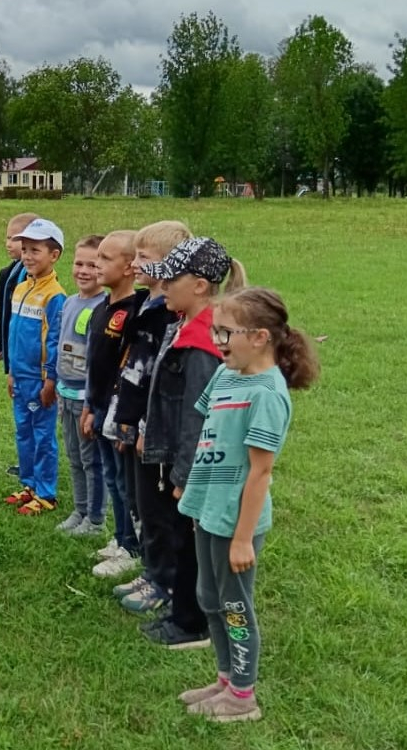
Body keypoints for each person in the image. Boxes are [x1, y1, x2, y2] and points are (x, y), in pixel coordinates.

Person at [179, 287, 319, 722]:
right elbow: (210, 429)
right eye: (215, 331)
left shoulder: (268, 394)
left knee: (235, 606)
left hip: (237, 519)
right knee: (209, 598)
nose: (217, 341)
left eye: (225, 332)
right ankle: (225, 679)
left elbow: (260, 472)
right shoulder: (227, 375)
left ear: (259, 337)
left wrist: (243, 539)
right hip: (209, 507)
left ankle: (243, 696)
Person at [133, 237, 247, 649]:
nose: (162, 288)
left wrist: (185, 475)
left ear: (199, 285)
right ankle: (182, 610)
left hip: (193, 466)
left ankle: (191, 623)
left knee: (187, 542)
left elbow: (197, 417)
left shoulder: (203, 342)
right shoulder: (185, 325)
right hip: (176, 458)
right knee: (182, 538)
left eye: (170, 280)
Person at [108, 221, 191, 607]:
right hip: (134, 422)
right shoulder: (146, 303)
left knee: (159, 512)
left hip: (152, 429)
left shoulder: (169, 315)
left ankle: (165, 582)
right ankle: (151, 571)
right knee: (142, 505)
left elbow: (159, 380)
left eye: (144, 257)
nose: (134, 263)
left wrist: (143, 426)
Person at [80, 230, 141, 576]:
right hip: (98, 405)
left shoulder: (133, 313)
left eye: (105, 258)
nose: (97, 264)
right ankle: (119, 537)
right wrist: (89, 406)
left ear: (130, 267)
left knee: (122, 481)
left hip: (118, 412)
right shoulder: (102, 306)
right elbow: (95, 363)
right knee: (109, 475)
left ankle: (130, 546)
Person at [3, 218, 66, 514]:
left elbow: (54, 341)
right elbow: (14, 335)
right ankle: (29, 484)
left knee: (43, 435)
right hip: (21, 377)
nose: (27, 255)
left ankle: (46, 492)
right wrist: (11, 373)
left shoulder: (55, 296)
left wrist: (50, 380)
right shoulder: (19, 288)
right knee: (23, 433)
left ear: (54, 255)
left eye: (35, 250)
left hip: (41, 381)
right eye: (24, 249)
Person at [54, 235, 107, 535]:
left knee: (92, 461)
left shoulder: (103, 307)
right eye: (79, 263)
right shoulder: (71, 302)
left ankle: (95, 521)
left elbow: (99, 361)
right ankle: (80, 510)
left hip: (87, 398)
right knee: (74, 457)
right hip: (65, 394)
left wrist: (91, 401)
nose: (84, 271)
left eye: (93, 264)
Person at [0, 213, 40, 477]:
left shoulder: (32, 278)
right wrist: (0, 343)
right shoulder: (9, 273)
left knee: (34, 415)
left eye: (14, 238)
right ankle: (26, 464)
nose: (8, 243)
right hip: (15, 356)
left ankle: (35, 468)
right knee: (22, 414)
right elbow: (5, 315)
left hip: (29, 361)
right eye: (8, 238)